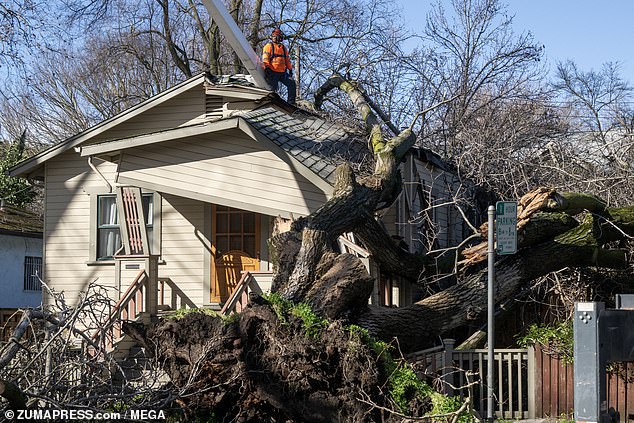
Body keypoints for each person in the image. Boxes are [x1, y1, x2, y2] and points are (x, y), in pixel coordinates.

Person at [262, 28, 296, 105]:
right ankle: (269, 103)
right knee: (272, 90)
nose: (277, 38)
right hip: (272, 72)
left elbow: (287, 60)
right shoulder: (269, 46)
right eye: (275, 36)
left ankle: (291, 103)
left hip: (282, 73)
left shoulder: (283, 48)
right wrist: (267, 67)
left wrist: (290, 69)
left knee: (291, 83)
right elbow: (265, 57)